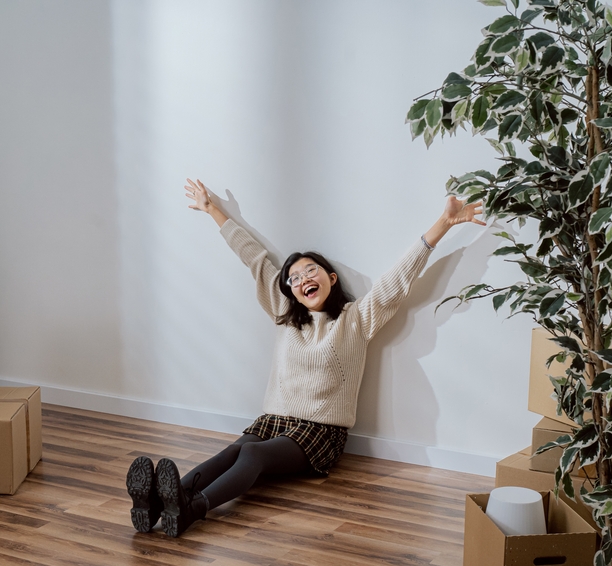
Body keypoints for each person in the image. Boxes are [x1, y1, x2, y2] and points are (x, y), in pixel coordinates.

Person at [126, 178, 485, 538]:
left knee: (253, 458)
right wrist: (211, 209)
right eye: (294, 277)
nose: (302, 279)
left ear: (330, 277)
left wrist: (445, 224)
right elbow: (253, 257)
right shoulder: (285, 314)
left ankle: (191, 510)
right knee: (237, 449)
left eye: (310, 270)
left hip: (320, 432)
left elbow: (398, 279)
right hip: (273, 421)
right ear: (291, 292)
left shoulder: (356, 319)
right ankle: (159, 504)